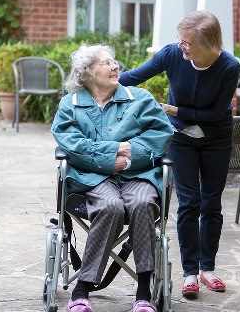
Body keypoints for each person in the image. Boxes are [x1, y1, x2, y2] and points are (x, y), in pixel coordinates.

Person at [119, 10, 240, 298]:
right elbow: (133, 77)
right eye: (180, 40)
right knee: (189, 202)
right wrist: (97, 81)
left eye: (186, 42)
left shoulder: (229, 66)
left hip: (216, 139)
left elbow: (214, 113)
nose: (180, 46)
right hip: (181, 139)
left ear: (207, 44)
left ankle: (207, 268)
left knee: (211, 203)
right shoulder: (172, 55)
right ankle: (189, 273)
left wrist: (174, 110)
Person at [51, 44, 174, 312]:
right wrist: (114, 152)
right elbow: (71, 144)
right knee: (110, 206)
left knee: (141, 203)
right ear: (87, 73)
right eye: (105, 63)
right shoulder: (70, 104)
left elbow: (161, 134)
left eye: (113, 62)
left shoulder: (139, 98)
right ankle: (82, 288)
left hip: (138, 174)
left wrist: (130, 159)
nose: (114, 66)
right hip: (92, 179)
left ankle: (144, 292)